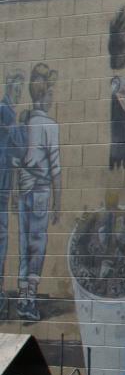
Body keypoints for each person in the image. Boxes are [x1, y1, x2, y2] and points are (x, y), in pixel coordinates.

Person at [15, 65, 59, 323]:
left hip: (23, 190)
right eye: (51, 94)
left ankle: (22, 297)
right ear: (44, 96)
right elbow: (56, 169)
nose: (53, 99)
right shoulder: (49, 125)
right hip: (41, 191)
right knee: (37, 245)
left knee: (23, 245)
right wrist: (59, 201)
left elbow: (17, 158)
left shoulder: (25, 121)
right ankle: (30, 298)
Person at [0, 71, 25, 316]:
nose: (19, 94)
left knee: (2, 239)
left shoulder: (11, 115)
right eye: (16, 89)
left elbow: (16, 154)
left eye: (21, 90)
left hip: (4, 190)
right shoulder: (4, 112)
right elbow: (17, 149)